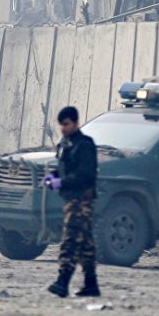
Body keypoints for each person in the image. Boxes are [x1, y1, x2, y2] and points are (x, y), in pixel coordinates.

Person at [43, 106, 99, 298]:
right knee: (85, 244)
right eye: (61, 125)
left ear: (76, 123)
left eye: (66, 124)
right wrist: (53, 177)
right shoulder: (66, 145)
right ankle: (91, 284)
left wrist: (61, 182)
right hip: (71, 199)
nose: (63, 128)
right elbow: (64, 169)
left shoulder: (84, 145)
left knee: (70, 240)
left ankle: (63, 281)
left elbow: (85, 176)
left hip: (81, 200)